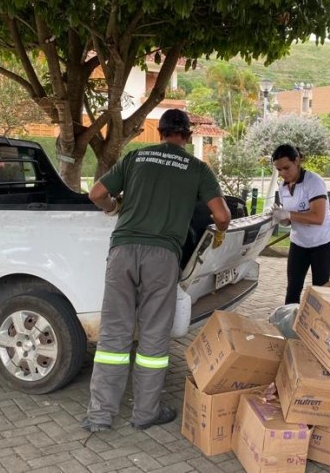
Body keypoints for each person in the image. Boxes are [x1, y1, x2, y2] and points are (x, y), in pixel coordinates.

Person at [82, 109, 231, 432]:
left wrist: (113, 208)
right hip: (163, 257)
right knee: (153, 337)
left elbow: (96, 194)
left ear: (160, 132)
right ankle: (145, 413)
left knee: (114, 335)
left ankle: (100, 416)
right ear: (188, 137)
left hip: (122, 252)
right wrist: (218, 236)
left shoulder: (136, 158)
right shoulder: (197, 168)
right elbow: (221, 215)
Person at [271, 144, 330, 305]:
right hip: (299, 242)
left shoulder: (313, 182)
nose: (283, 174)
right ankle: (287, 323)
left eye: (286, 168)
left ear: (297, 161)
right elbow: (290, 220)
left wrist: (289, 214)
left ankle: (317, 326)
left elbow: (317, 217)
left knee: (320, 289)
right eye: (279, 170)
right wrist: (281, 218)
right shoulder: (283, 187)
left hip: (322, 242)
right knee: (293, 287)